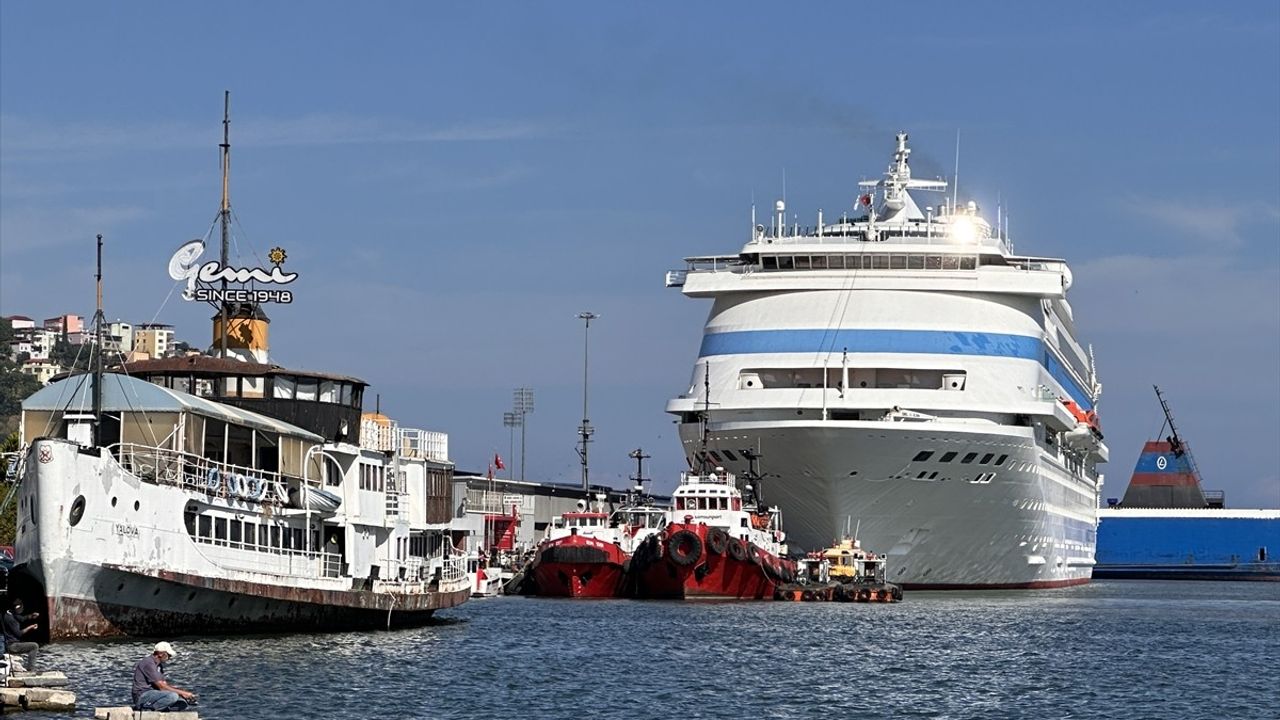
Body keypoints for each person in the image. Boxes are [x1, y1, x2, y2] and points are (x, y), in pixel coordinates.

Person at [132, 641, 197, 712]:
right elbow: (162, 687)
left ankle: (162, 708)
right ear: (160, 654)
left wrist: (181, 692)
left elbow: (164, 684)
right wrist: (182, 693)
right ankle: (148, 709)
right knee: (173, 696)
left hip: (155, 694)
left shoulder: (158, 665)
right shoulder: (148, 663)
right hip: (142, 695)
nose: (170, 657)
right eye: (168, 655)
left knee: (182, 703)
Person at [2, 598, 39, 673]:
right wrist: (30, 627)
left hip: (10, 643)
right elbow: (19, 634)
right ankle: (31, 669)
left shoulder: (9, 613)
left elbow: (21, 618)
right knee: (34, 646)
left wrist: (31, 616)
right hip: (11, 645)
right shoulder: (10, 619)